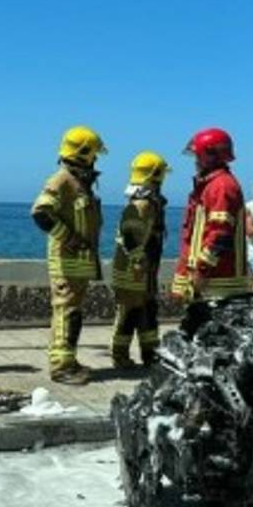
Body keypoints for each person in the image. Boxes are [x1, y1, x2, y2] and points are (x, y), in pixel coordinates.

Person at [32, 126, 106, 385]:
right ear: (84, 154)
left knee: (73, 312)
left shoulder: (79, 183)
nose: (96, 159)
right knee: (66, 311)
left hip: (80, 263)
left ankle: (69, 360)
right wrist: (70, 238)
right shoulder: (61, 180)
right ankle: (61, 366)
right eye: (94, 154)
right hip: (67, 262)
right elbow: (41, 213)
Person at [172, 128, 249, 302]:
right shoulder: (212, 185)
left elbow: (220, 235)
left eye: (198, 156)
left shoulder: (221, 186)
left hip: (217, 283)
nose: (195, 162)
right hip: (211, 281)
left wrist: (201, 270)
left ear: (210, 156)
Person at [109, 151, 169, 368]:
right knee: (129, 313)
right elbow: (128, 235)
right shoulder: (142, 204)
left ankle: (150, 353)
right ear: (155, 176)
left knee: (147, 311)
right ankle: (120, 355)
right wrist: (137, 262)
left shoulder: (150, 203)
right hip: (132, 271)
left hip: (145, 270)